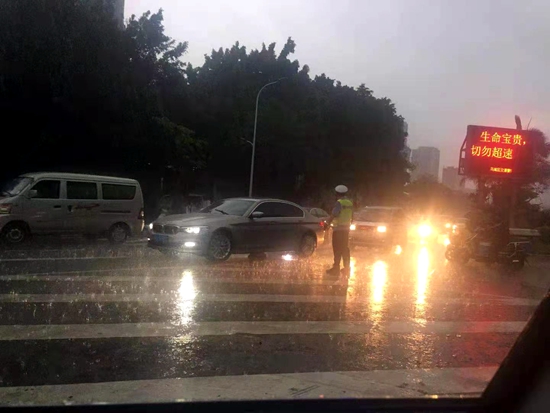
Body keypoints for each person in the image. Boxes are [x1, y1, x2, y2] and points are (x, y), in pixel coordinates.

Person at [326, 185, 353, 276]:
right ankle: (346, 268)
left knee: (337, 248)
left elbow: (334, 214)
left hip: (338, 229)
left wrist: (327, 223)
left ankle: (336, 268)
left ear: (337, 194)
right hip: (346, 229)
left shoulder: (339, 203)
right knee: (345, 248)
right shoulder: (349, 203)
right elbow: (352, 216)